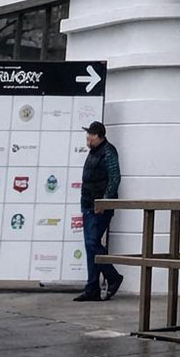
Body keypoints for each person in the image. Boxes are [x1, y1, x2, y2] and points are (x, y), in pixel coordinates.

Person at [74, 120, 123, 302]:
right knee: (89, 246)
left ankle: (113, 277)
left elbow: (115, 178)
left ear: (99, 136)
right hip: (88, 204)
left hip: (100, 207)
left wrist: (104, 201)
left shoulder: (108, 151)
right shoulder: (93, 152)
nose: (87, 137)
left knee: (93, 243)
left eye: (90, 134)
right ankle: (92, 288)